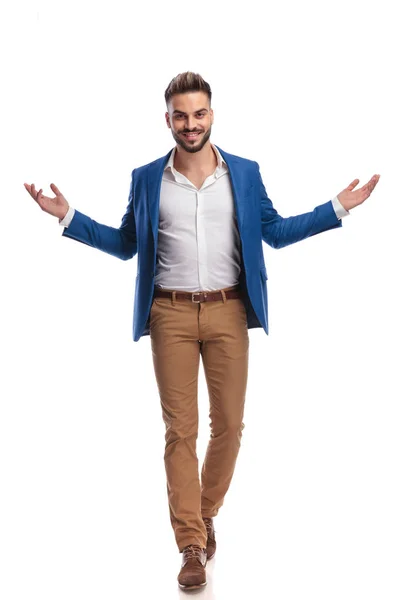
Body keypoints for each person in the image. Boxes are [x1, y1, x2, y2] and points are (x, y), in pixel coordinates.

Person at [24, 71, 380, 591]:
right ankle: (191, 542)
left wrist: (337, 208)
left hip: (229, 311)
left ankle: (204, 509)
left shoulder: (246, 172)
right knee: (179, 431)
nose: (190, 125)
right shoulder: (147, 177)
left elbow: (275, 231)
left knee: (230, 427)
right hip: (168, 313)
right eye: (180, 115)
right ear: (167, 119)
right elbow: (126, 244)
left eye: (199, 114)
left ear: (212, 115)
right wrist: (69, 217)